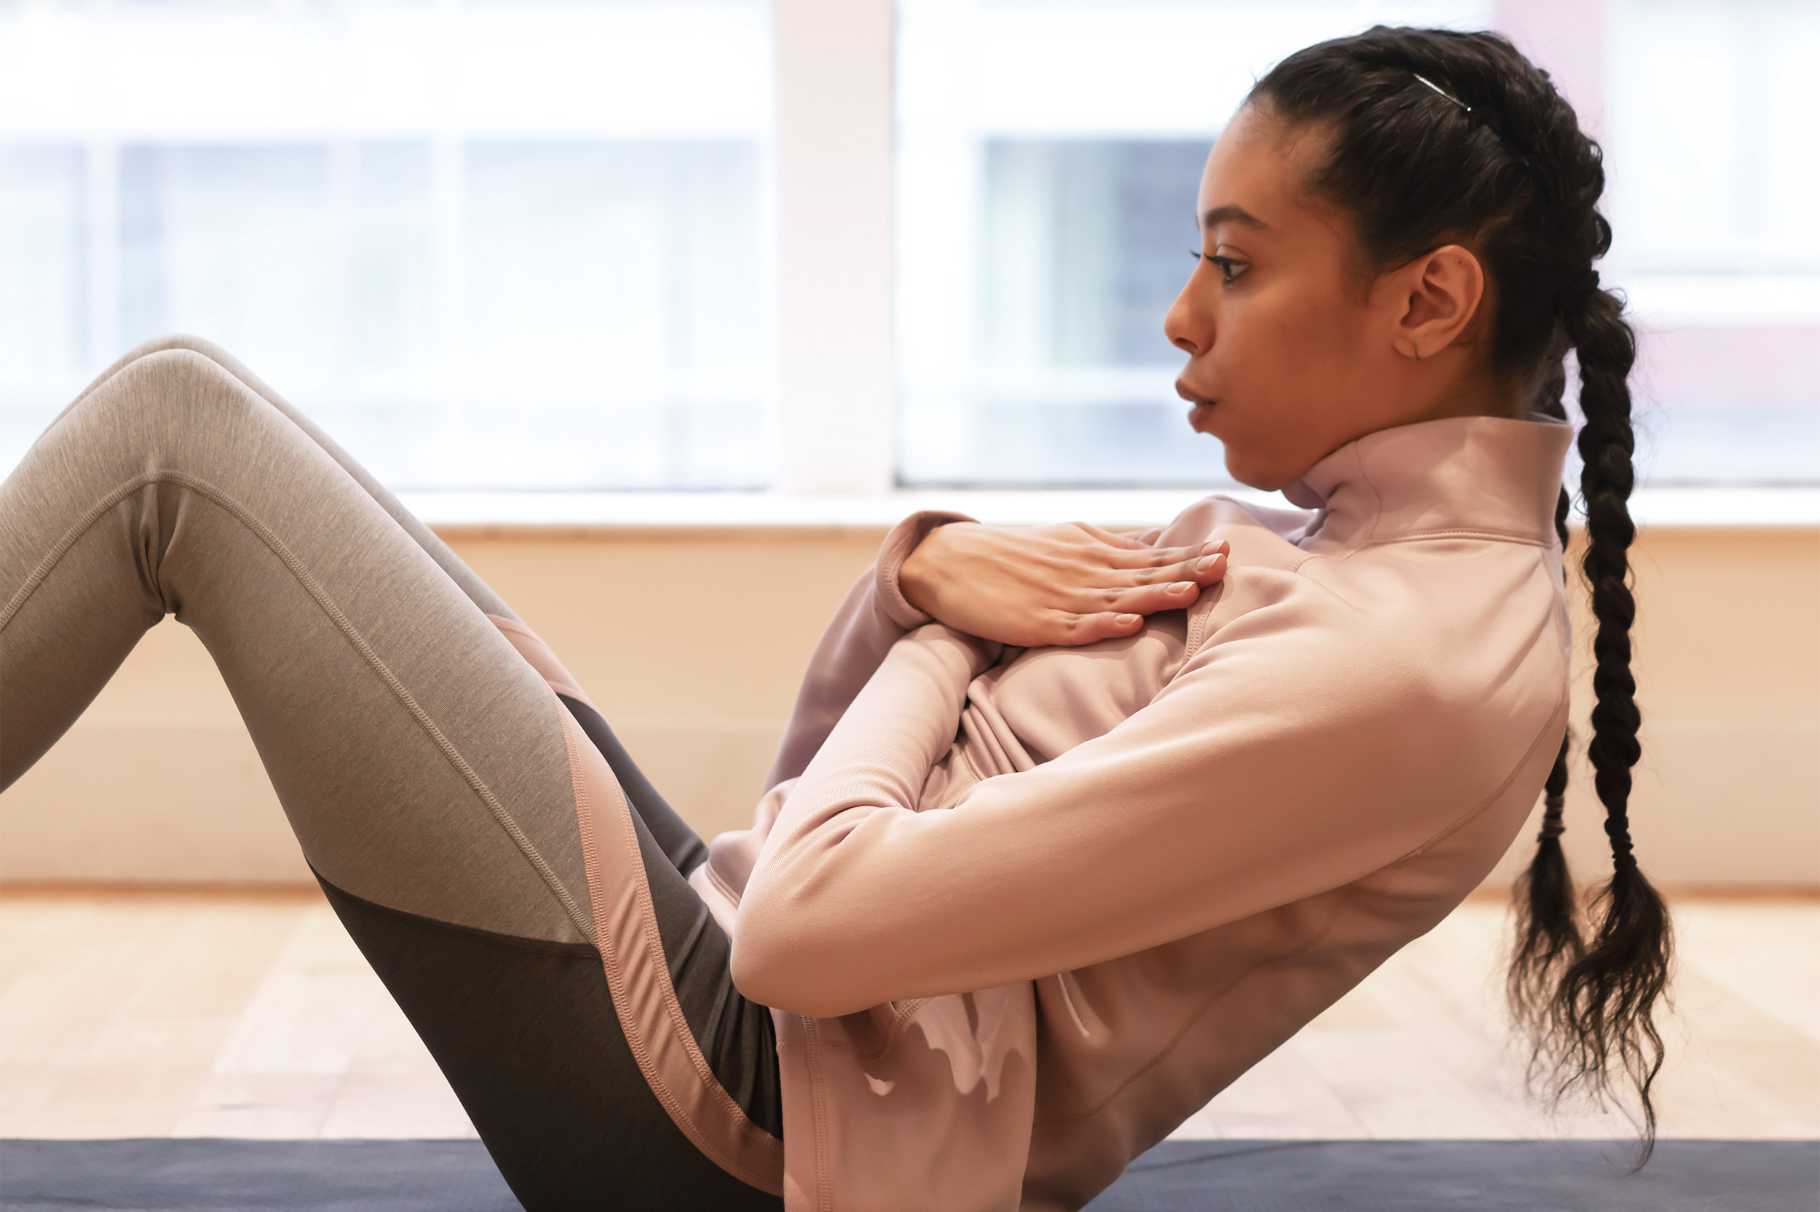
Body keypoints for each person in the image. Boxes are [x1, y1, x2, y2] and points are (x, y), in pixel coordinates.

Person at [0, 22, 1673, 1212]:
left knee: (178, 441)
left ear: (1430, 300)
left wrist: (944, 630)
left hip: (746, 1133)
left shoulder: (1412, 659)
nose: (1180, 319)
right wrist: (917, 583)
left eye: (1235, 265)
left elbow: (806, 926)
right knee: (209, 416)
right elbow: (813, 795)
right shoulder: (1347, 569)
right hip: (777, 1037)